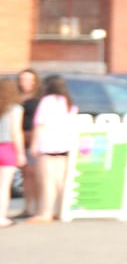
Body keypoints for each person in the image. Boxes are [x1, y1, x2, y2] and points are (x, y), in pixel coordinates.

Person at [28, 74, 76, 224]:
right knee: (60, 180)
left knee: (47, 181)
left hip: (47, 144)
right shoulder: (68, 102)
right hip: (64, 145)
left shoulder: (46, 101)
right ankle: (61, 210)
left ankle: (46, 212)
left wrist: (34, 145)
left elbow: (40, 124)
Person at [0, 77, 26, 226]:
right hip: (7, 148)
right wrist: (21, 153)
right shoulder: (15, 108)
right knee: (4, 186)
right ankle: (1, 217)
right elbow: (16, 132)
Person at [16, 68, 41, 219]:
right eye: (23, 79)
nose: (25, 82)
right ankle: (27, 207)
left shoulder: (39, 99)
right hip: (20, 139)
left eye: (29, 79)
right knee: (25, 175)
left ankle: (37, 207)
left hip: (33, 139)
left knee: (34, 174)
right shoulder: (16, 97)